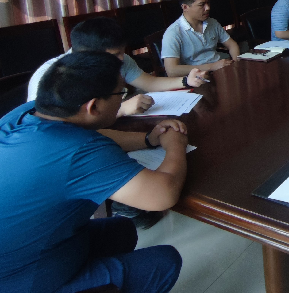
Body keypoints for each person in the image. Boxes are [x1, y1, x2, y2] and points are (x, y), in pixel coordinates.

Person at [0, 52, 187, 293]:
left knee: (122, 230)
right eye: (121, 93)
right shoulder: (77, 150)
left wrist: (148, 139)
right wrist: (175, 145)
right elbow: (163, 194)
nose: (124, 99)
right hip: (21, 280)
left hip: (22, 250)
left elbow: (94, 133)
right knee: (164, 263)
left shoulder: (28, 113)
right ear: (94, 106)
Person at [27, 17, 209, 116]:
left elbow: (149, 83)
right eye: (116, 54)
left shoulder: (118, 59)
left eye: (122, 52)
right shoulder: (53, 78)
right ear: (87, 54)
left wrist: (186, 81)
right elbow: (58, 129)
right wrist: (121, 109)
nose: (122, 59)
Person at [162, 0, 241, 77]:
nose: (207, 8)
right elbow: (171, 71)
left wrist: (236, 64)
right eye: (201, 5)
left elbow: (232, 45)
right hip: (196, 78)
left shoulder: (212, 23)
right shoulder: (173, 33)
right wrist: (211, 66)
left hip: (219, 70)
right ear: (185, 7)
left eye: (208, 3)